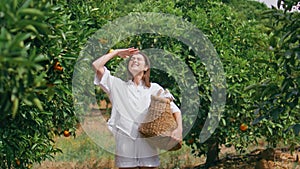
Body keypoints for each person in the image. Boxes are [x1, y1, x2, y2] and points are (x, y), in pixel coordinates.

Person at [92, 47, 182, 169]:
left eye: (139, 59)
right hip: (126, 140)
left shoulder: (154, 88)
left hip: (147, 141)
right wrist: (116, 52)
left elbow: (174, 109)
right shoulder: (118, 86)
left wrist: (179, 130)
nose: (134, 60)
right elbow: (97, 65)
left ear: (146, 68)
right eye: (132, 59)